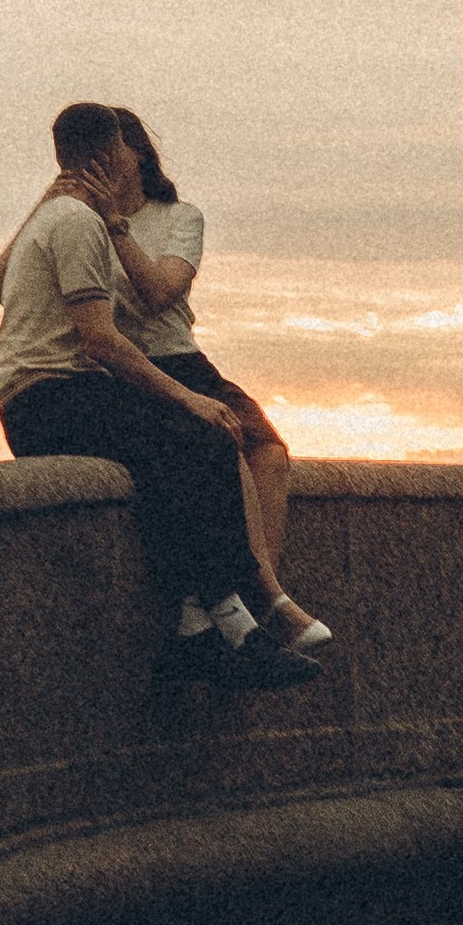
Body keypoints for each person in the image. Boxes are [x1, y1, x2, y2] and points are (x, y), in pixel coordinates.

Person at [0, 103, 317, 690]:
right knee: (201, 440)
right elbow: (102, 340)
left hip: (61, 391)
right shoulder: (74, 222)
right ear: (114, 155)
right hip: (63, 391)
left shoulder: (126, 218)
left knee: (196, 456)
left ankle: (202, 625)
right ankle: (239, 619)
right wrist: (188, 401)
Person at [101, 108, 330, 656]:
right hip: (128, 367)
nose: (105, 161)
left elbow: (161, 291)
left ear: (137, 153)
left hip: (184, 360)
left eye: (114, 148)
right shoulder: (76, 221)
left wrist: (117, 227)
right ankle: (258, 605)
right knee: (217, 450)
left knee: (269, 454)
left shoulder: (180, 217)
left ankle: (250, 601)